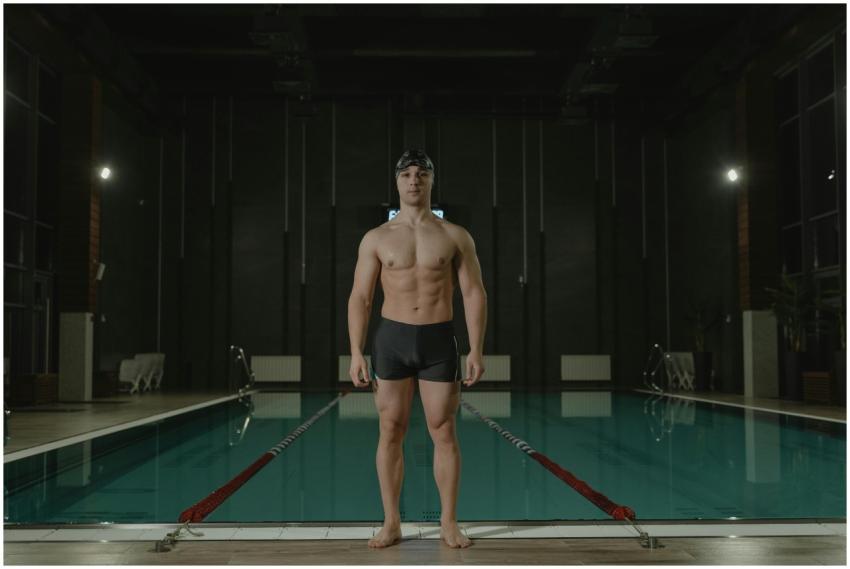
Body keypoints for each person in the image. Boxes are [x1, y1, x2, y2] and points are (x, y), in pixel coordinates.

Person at [347, 149, 487, 549]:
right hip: (391, 339)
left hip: (439, 340)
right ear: (396, 181)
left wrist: (476, 349)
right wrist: (356, 352)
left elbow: (473, 293)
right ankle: (391, 522)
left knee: (443, 431)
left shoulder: (454, 235)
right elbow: (360, 297)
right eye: (406, 174)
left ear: (430, 181)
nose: (413, 180)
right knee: (390, 429)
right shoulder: (376, 238)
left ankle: (448, 522)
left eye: (420, 174)